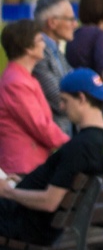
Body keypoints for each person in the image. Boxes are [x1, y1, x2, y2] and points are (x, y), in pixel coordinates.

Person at [0, 68, 103, 250]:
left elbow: (50, 201)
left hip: (27, 226)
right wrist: (21, 184)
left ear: (82, 98)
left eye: (64, 101)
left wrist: (7, 192)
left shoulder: (79, 147)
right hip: (46, 224)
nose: (61, 107)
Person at [0, 18, 68, 177]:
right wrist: (72, 145)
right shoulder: (16, 82)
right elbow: (40, 125)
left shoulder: (22, 78)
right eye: (40, 40)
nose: (44, 45)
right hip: (23, 167)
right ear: (27, 48)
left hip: (31, 164)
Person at [32, 0, 74, 118]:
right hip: (54, 134)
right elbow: (58, 99)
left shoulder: (56, 51)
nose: (75, 24)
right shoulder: (38, 53)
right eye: (70, 19)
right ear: (52, 22)